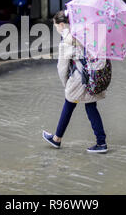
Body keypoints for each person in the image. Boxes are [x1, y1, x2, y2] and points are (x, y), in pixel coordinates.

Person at [42, 9, 108, 154]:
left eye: (55, 26)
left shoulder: (66, 41)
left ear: (61, 25)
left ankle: (57, 139)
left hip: (79, 80)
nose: (56, 29)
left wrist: (67, 84)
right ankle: (101, 142)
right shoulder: (87, 32)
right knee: (90, 107)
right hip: (92, 77)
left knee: (70, 103)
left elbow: (62, 68)